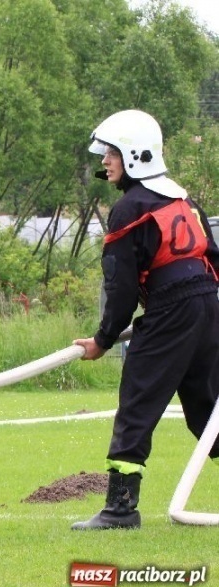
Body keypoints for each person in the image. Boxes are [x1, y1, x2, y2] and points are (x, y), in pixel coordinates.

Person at [72, 109, 219, 530]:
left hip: (173, 309)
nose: (105, 162)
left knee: (138, 401)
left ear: (134, 156)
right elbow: (211, 257)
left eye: (111, 153)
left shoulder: (130, 208)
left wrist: (103, 338)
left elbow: (118, 290)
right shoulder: (183, 199)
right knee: (209, 409)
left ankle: (120, 509)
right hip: (207, 305)